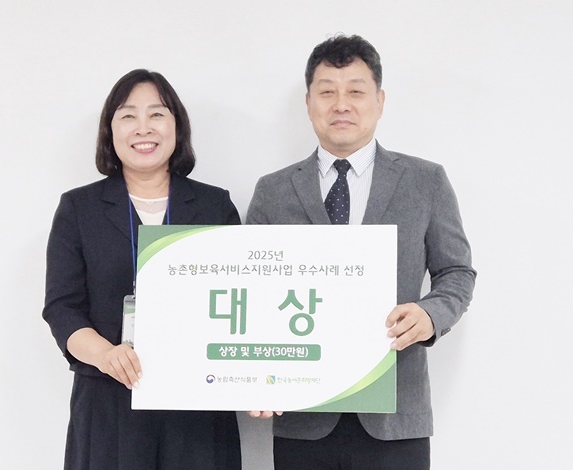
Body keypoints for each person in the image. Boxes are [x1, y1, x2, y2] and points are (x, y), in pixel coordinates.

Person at [246, 35, 476, 469]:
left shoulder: (425, 181)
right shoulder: (273, 191)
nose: (341, 105)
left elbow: (457, 272)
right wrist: (255, 376)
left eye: (355, 91)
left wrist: (430, 315)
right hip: (303, 415)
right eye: (327, 92)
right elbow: (251, 291)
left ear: (380, 101)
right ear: (308, 103)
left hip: (395, 415)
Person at [43, 69, 242, 470]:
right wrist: (106, 355)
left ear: (177, 126)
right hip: (110, 402)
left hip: (197, 405)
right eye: (128, 115)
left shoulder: (214, 206)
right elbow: (62, 308)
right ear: (110, 130)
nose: (143, 128)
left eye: (157, 114)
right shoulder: (79, 208)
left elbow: (244, 302)